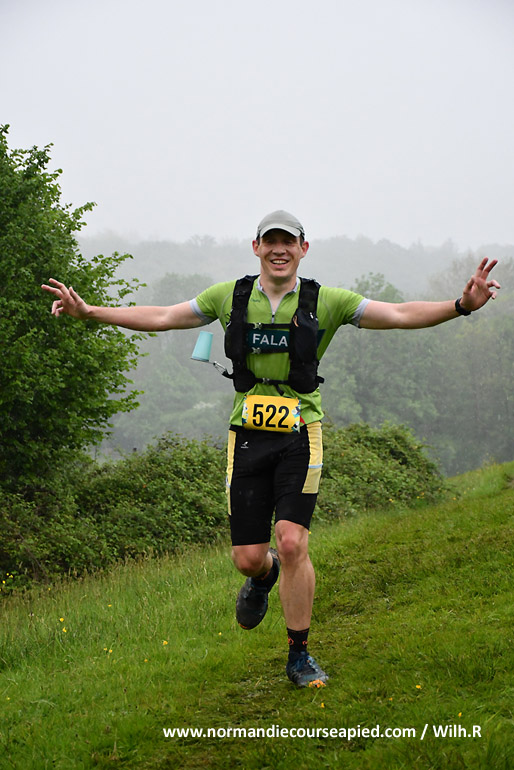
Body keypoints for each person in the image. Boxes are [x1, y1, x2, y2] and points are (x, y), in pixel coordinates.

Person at [42, 210, 500, 688]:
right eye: (270, 241)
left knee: (292, 540)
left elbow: (400, 314)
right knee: (248, 557)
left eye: (289, 241)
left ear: (304, 249)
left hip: (301, 433)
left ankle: (299, 655)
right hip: (247, 435)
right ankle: (263, 577)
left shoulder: (327, 301)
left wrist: (461, 306)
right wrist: (90, 312)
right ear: (256, 247)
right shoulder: (229, 297)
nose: (279, 249)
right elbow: (163, 316)